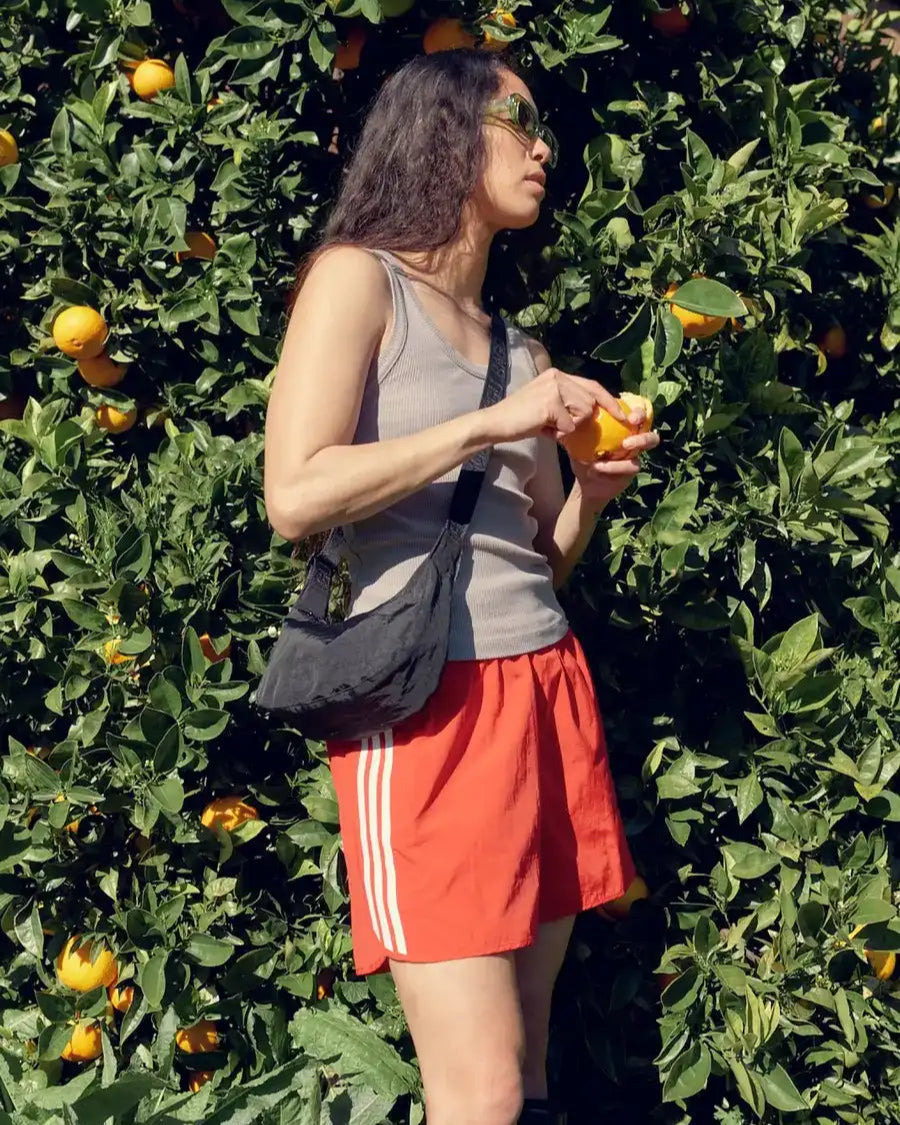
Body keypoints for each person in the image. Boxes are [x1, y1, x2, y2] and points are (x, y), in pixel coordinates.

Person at [263, 48, 660, 1125]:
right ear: (442, 131)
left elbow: (532, 555)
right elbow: (295, 495)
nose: (543, 147)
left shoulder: (521, 352)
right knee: (476, 1092)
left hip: (542, 688)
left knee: (526, 1078)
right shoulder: (359, 279)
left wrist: (592, 492)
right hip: (428, 706)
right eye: (515, 121)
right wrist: (490, 426)